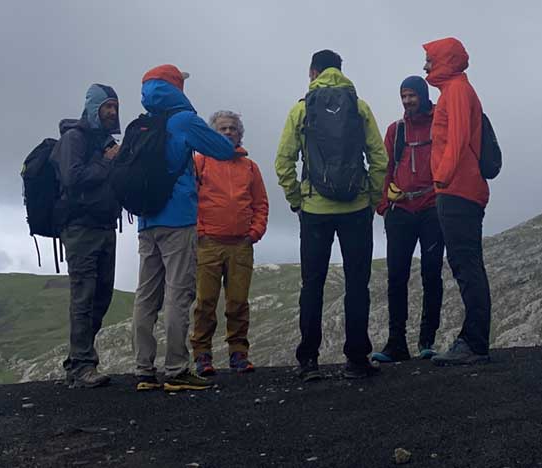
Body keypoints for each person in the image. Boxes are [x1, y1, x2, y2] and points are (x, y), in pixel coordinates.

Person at [275, 49, 388, 381]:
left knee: (312, 284)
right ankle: (356, 359)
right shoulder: (359, 106)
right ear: (341, 71)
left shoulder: (301, 108)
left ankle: (308, 360)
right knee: (357, 283)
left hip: (314, 210)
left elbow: (284, 161)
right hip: (355, 208)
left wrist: (297, 199)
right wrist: (371, 198)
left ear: (312, 72)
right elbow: (379, 158)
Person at [132, 64, 237, 393]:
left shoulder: (142, 124)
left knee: (146, 295)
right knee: (179, 293)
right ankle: (176, 368)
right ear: (176, 87)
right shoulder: (182, 120)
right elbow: (223, 150)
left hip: (146, 220)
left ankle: (143, 370)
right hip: (177, 219)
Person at [423, 37, 492, 366]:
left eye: (430, 59)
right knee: (465, 265)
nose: (425, 65)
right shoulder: (453, 91)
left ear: (445, 60)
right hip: (456, 189)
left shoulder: (458, 91)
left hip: (458, 190)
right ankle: (472, 340)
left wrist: (442, 178)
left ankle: (474, 343)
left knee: (467, 266)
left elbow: (460, 137)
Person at [190, 110, 269, 376]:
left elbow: (261, 204)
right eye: (222, 129)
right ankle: (202, 355)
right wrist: (200, 231)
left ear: (240, 133)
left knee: (238, 302)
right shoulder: (199, 162)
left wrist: (254, 233)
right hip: (208, 243)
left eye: (232, 128)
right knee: (205, 302)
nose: (228, 132)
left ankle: (238, 353)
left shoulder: (250, 167)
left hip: (241, 245)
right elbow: (190, 199)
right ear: (213, 133)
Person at [53, 83, 122, 388]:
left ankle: (78, 360)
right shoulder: (74, 138)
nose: (112, 113)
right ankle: (82, 366)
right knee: (84, 295)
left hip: (105, 227)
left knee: (102, 296)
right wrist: (106, 161)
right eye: (107, 107)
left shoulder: (106, 141)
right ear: (93, 108)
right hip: (81, 228)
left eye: (115, 107)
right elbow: (72, 178)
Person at [372, 75, 445, 363]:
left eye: (411, 95)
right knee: (396, 278)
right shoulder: (396, 131)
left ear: (423, 95)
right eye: (403, 96)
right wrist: (383, 206)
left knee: (431, 273)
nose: (407, 101)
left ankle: (427, 341)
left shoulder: (440, 123)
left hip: (432, 209)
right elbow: (386, 167)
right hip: (400, 211)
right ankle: (396, 343)